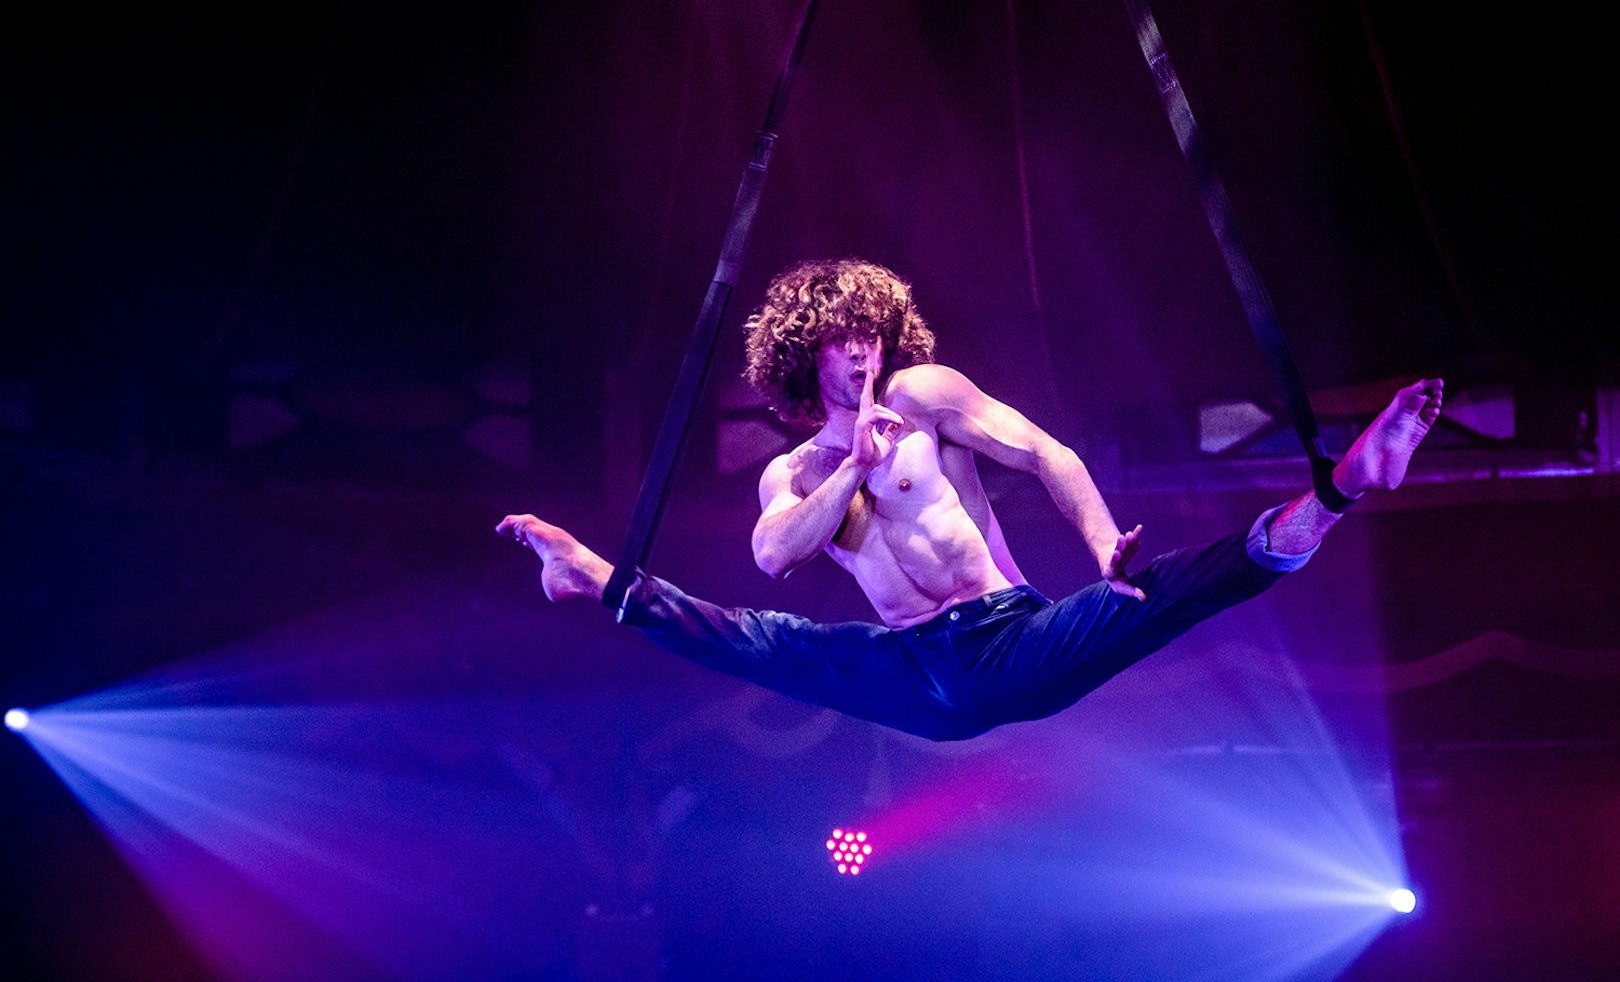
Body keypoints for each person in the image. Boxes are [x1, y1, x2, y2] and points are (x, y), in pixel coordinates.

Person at [499, 259, 1443, 741]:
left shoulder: (925, 399)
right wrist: (851, 468)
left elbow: (1047, 453)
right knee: (765, 641)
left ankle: (1344, 484)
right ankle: (594, 579)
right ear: (805, 355)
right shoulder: (790, 474)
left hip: (1008, 638)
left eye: (871, 332)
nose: (863, 350)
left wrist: (1103, 541)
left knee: (1167, 591)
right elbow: (775, 555)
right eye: (842, 339)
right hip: (911, 674)